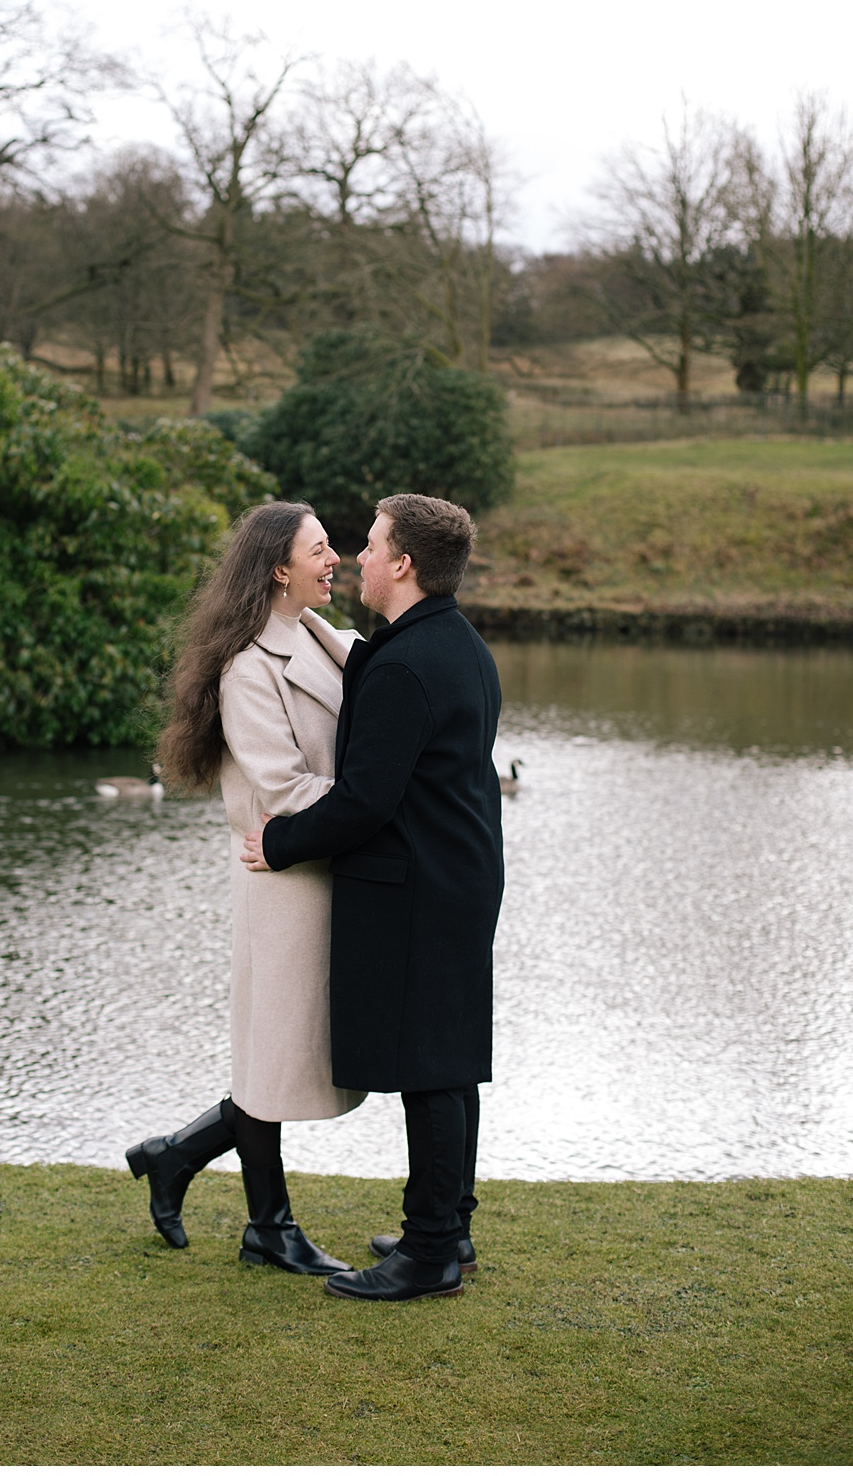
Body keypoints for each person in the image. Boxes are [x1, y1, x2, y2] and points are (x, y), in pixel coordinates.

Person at [241, 493, 504, 1302]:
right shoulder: (457, 643)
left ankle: (428, 1254)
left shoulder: (401, 666)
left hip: (418, 884)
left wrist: (279, 844)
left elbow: (364, 801)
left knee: (429, 1068)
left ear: (404, 564)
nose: (358, 555)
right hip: (461, 874)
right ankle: (450, 1229)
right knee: (451, 1062)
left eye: (372, 542)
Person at [125, 500, 365, 1276]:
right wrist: (380, 801)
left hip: (321, 868)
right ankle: (268, 1227)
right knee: (274, 1058)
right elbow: (284, 788)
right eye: (320, 548)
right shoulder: (248, 670)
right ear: (278, 568)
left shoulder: (322, 635)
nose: (335, 559)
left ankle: (176, 1156)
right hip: (285, 881)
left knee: (286, 1055)